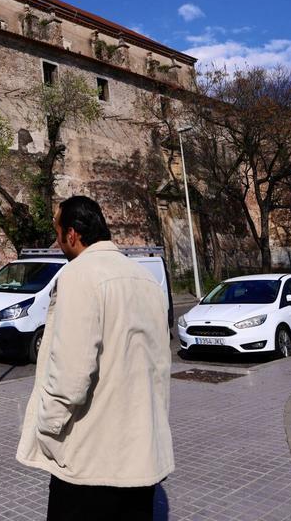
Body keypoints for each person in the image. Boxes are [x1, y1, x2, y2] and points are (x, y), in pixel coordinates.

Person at [16, 196, 174, 519]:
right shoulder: (147, 282)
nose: (56, 241)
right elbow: (159, 370)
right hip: (140, 463)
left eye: (57, 232)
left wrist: (45, 428)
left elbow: (70, 377)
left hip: (89, 466)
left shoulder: (79, 276)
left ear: (71, 235)